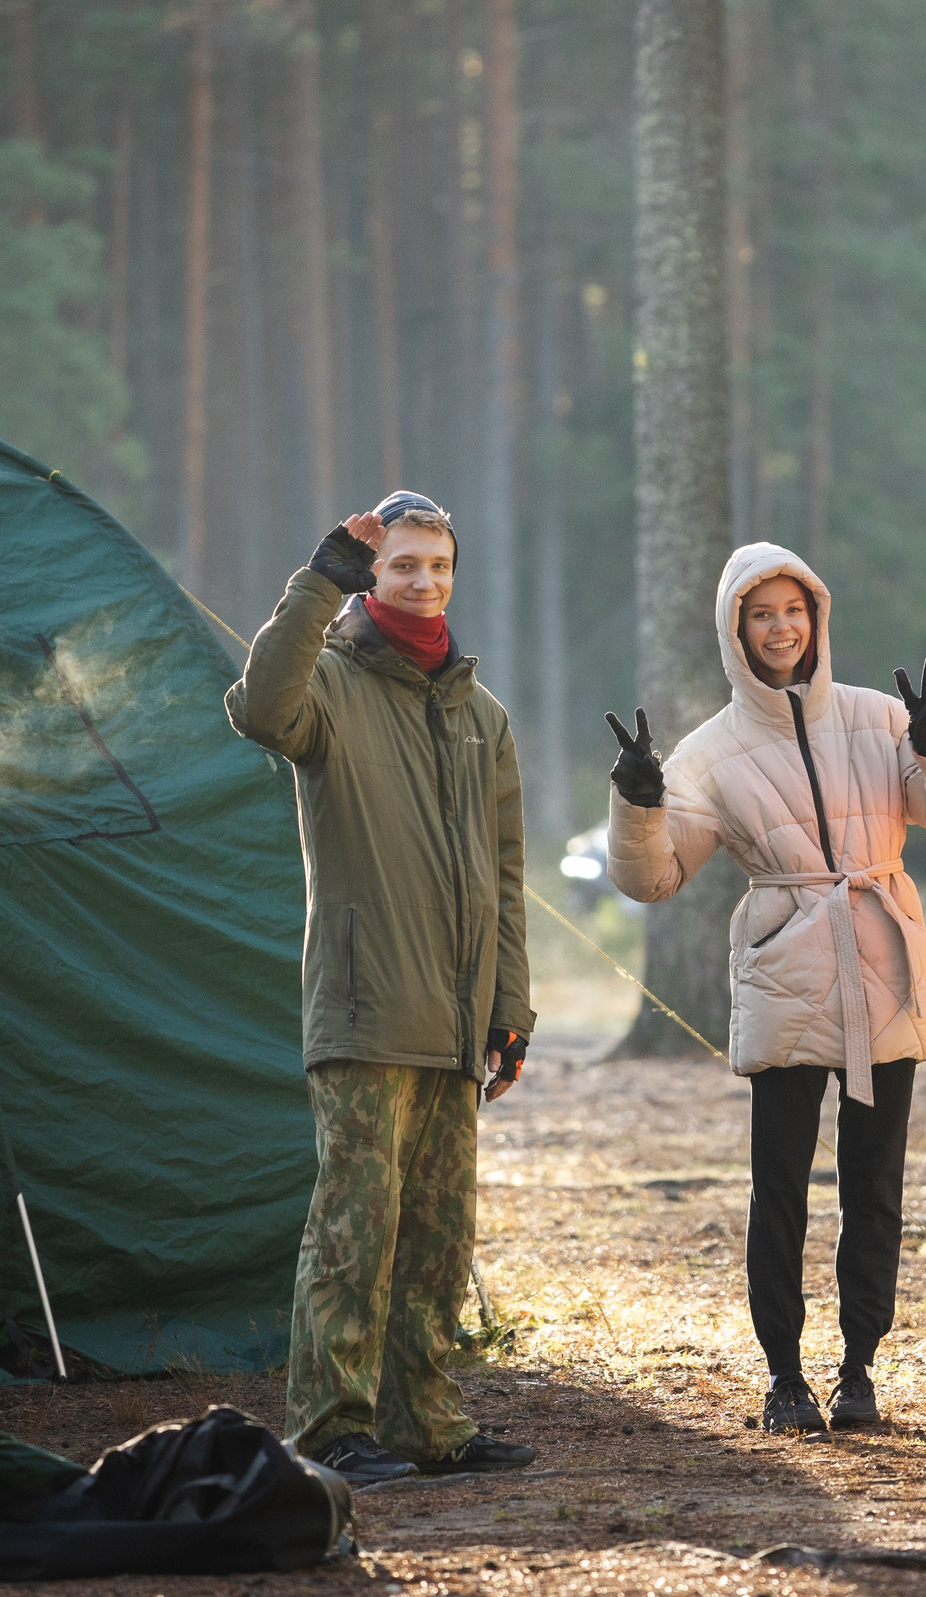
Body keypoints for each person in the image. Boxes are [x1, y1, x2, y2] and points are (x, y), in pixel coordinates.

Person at [602, 545, 926, 1433]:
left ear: (817, 615)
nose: (781, 626)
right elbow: (656, 877)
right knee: (778, 1185)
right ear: (734, 630)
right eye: (760, 613)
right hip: (787, 969)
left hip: (885, 963)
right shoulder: (711, 750)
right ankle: (785, 1375)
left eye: (794, 608)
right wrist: (637, 806)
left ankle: (860, 1366)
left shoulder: (879, 715)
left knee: (876, 1183)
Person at [225, 492, 538, 1484]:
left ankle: (425, 1423)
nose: (425, 581)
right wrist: (318, 584)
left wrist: (509, 1009)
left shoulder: (481, 716)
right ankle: (330, 1430)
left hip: (454, 1023)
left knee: (439, 1242)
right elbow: (257, 709)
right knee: (353, 1234)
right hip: (364, 1013)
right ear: (375, 574)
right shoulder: (329, 687)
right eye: (405, 565)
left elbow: (506, 874)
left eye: (438, 565)